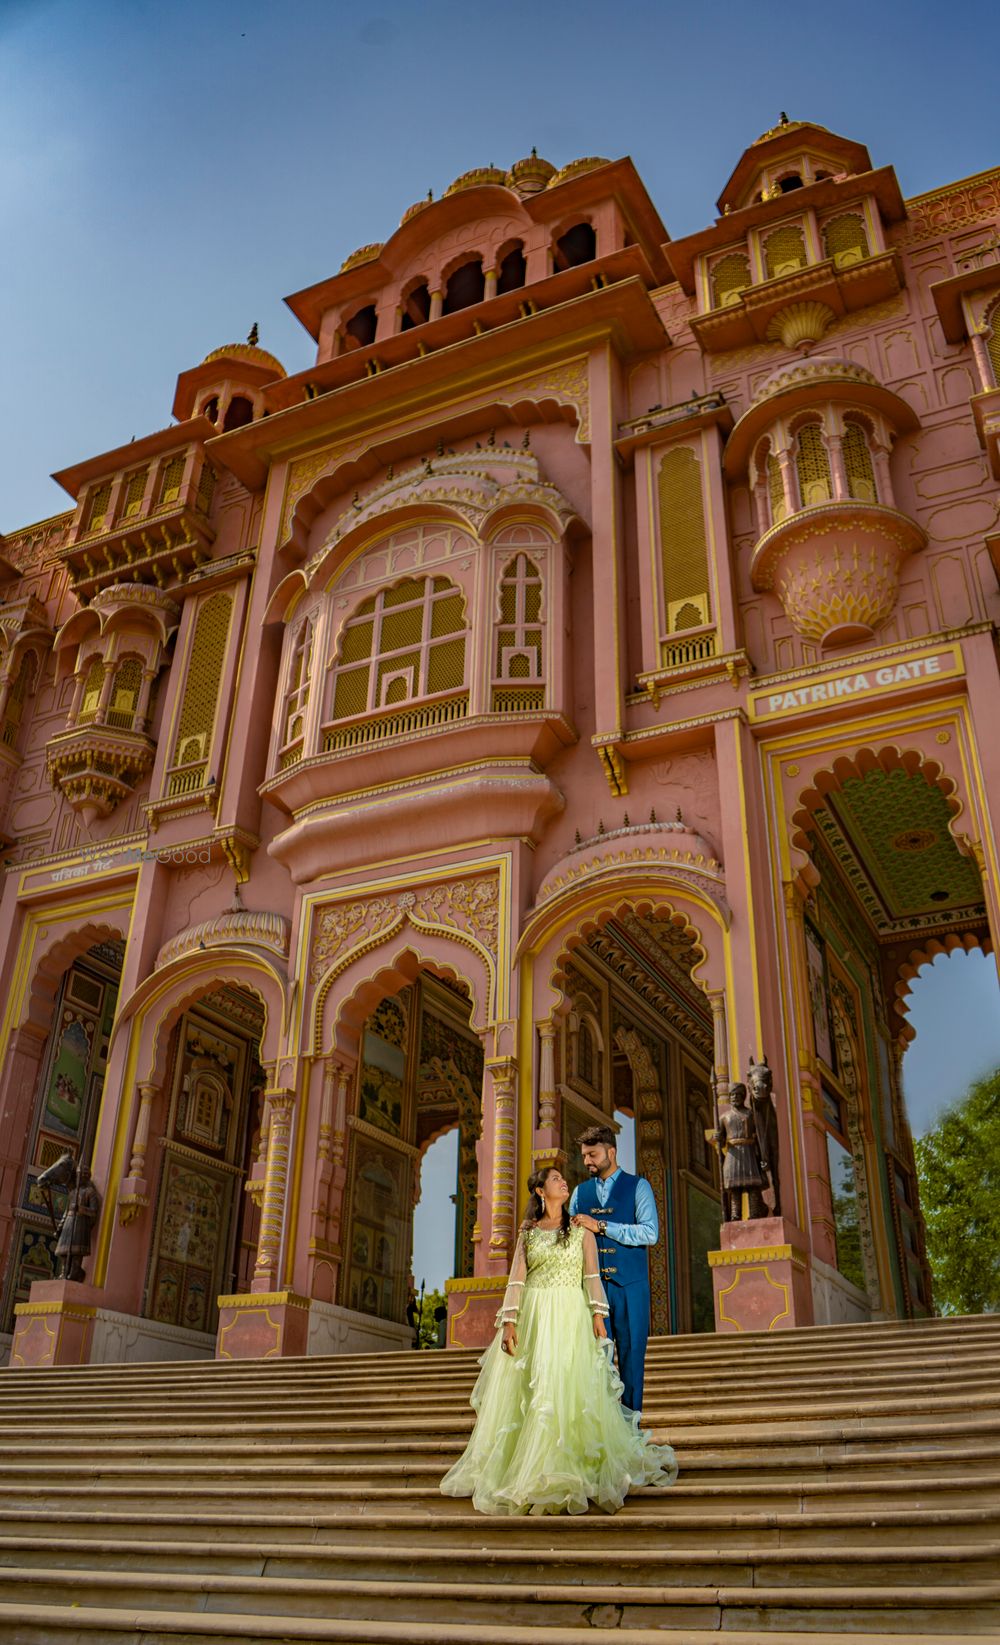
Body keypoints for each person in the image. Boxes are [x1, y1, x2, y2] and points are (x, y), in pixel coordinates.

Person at [440, 1164, 677, 1515]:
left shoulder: (582, 1230)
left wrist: (598, 1316)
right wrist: (509, 1322)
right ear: (540, 1191)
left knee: (567, 1388)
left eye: (562, 1179)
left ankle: (570, 1465)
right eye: (555, 1179)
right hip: (535, 1316)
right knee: (534, 1391)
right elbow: (517, 1280)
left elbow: (592, 1276)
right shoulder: (529, 1233)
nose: (563, 1182)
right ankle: (531, 1467)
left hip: (570, 1315)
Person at [569, 1123, 657, 1413]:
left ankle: (632, 1431)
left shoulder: (638, 1186)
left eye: (592, 1155)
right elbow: (570, 1242)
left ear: (611, 1151)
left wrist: (602, 1226)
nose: (587, 1162)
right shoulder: (579, 1194)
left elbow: (649, 1233)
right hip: (593, 1293)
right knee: (596, 1361)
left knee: (632, 1361)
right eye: (584, 1156)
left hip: (632, 1288)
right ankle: (602, 1431)